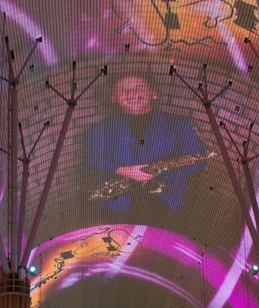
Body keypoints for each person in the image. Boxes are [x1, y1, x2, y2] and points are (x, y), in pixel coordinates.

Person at [83, 74, 207, 216]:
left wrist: (159, 175)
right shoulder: (97, 130)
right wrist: (121, 170)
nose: (132, 94)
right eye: (123, 90)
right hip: (117, 203)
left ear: (153, 93)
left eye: (139, 87)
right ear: (114, 98)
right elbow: (91, 160)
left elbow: (199, 161)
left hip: (165, 200)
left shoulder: (181, 125)